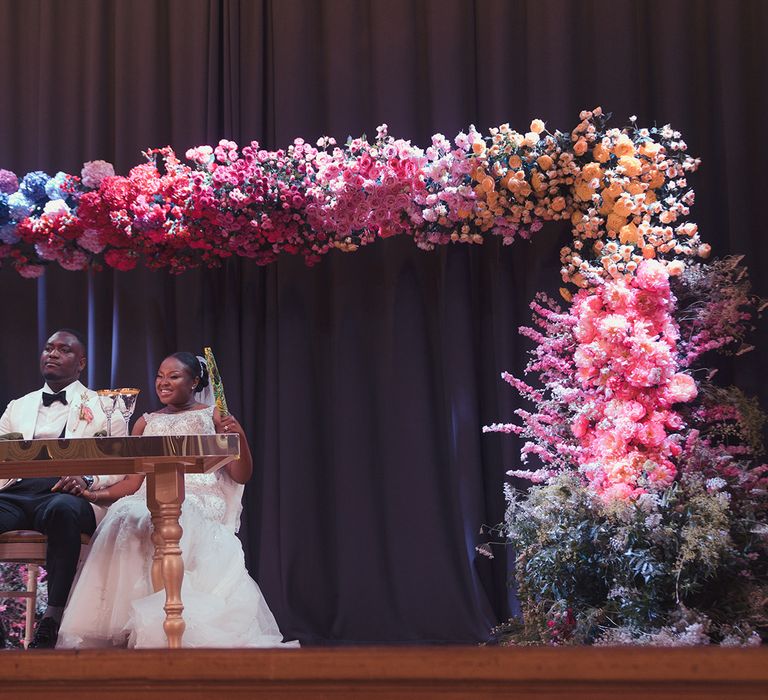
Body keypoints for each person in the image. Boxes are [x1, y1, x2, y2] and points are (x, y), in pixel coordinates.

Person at [57, 352, 297, 648]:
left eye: (174, 376)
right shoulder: (145, 423)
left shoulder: (213, 416)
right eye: (160, 375)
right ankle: (132, 625)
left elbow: (240, 474)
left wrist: (240, 438)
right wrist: (95, 494)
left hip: (199, 495)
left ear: (195, 381)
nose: (163, 382)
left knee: (174, 519)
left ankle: (175, 622)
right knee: (125, 517)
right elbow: (134, 481)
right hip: (148, 496)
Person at [0, 328, 126, 648]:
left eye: (64, 350)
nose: (53, 354)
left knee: (63, 510)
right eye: (48, 348)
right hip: (17, 490)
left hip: (67, 492)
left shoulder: (105, 406)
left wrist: (86, 480)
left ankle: (51, 620)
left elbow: (122, 463)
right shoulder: (19, 406)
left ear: (81, 362)